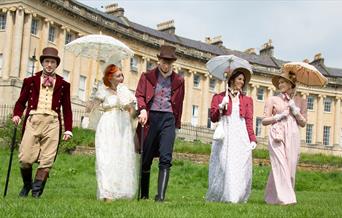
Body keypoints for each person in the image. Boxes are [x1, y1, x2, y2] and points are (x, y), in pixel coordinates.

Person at [12, 47, 73, 198]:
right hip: (33, 120)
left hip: (53, 123)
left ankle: (36, 194)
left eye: (52, 62)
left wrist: (68, 129)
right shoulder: (30, 81)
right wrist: (17, 115)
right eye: (47, 61)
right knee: (25, 157)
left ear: (56, 64)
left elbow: (67, 108)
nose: (49, 65)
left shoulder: (64, 85)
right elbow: (20, 103)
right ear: (42, 63)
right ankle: (27, 185)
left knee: (47, 160)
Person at [136, 45, 185, 202]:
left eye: (169, 62)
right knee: (146, 157)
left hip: (168, 119)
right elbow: (139, 95)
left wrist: (176, 124)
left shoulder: (179, 80)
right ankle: (144, 195)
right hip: (151, 118)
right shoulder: (147, 76)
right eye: (164, 61)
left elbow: (180, 103)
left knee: (166, 156)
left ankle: (160, 197)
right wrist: (142, 109)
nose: (166, 65)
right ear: (159, 60)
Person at [206, 67, 257, 203]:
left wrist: (252, 139)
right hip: (225, 133)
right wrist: (221, 106)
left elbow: (249, 121)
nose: (242, 82)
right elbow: (213, 117)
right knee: (224, 163)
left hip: (240, 134)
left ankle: (234, 197)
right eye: (239, 79)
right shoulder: (218, 97)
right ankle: (222, 194)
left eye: (243, 80)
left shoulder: (247, 100)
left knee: (238, 164)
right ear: (232, 79)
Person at [94, 64, 138, 201]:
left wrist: (131, 108)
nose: (121, 78)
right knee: (106, 156)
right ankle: (106, 192)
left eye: (122, 75)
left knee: (121, 156)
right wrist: (93, 94)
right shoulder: (102, 90)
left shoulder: (125, 91)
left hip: (123, 126)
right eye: (118, 75)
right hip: (108, 124)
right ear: (110, 77)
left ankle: (122, 190)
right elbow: (90, 107)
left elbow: (133, 113)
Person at [262, 70, 307, 205]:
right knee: (280, 165)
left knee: (290, 167)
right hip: (277, 134)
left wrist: (295, 111)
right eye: (279, 82)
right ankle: (287, 199)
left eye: (283, 82)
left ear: (291, 84)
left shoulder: (300, 101)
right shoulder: (273, 99)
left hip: (293, 135)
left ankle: (272, 197)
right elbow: (264, 120)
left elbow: (303, 123)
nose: (280, 84)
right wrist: (277, 117)